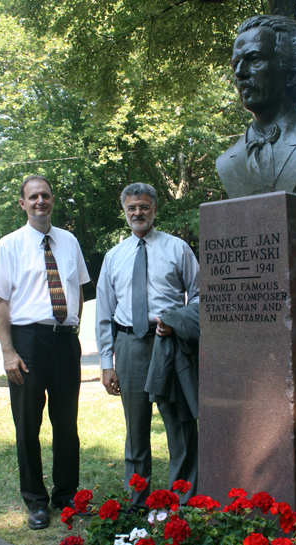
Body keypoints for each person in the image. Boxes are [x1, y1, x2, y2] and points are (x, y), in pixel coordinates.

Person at [0, 175, 90, 530]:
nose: (40, 202)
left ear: (52, 199)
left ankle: (66, 495)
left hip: (64, 340)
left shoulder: (69, 240)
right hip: (27, 342)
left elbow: (78, 287)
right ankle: (35, 501)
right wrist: (8, 352)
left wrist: (73, 326)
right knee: (27, 426)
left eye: (45, 195)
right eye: (33, 197)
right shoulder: (9, 245)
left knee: (66, 423)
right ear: (22, 203)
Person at [95, 182, 199, 508]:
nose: (138, 212)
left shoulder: (177, 249)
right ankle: (138, 501)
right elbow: (103, 311)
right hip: (130, 345)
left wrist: (176, 320)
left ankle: (183, 501)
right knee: (136, 429)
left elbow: (200, 297)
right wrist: (106, 362)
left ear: (154, 209)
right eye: (132, 208)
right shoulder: (114, 256)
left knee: (179, 425)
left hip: (169, 346)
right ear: (124, 212)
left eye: (144, 206)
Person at [216, 14, 296, 200]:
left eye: (255, 59)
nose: (239, 73)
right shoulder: (226, 161)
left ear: (291, 73)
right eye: (236, 64)